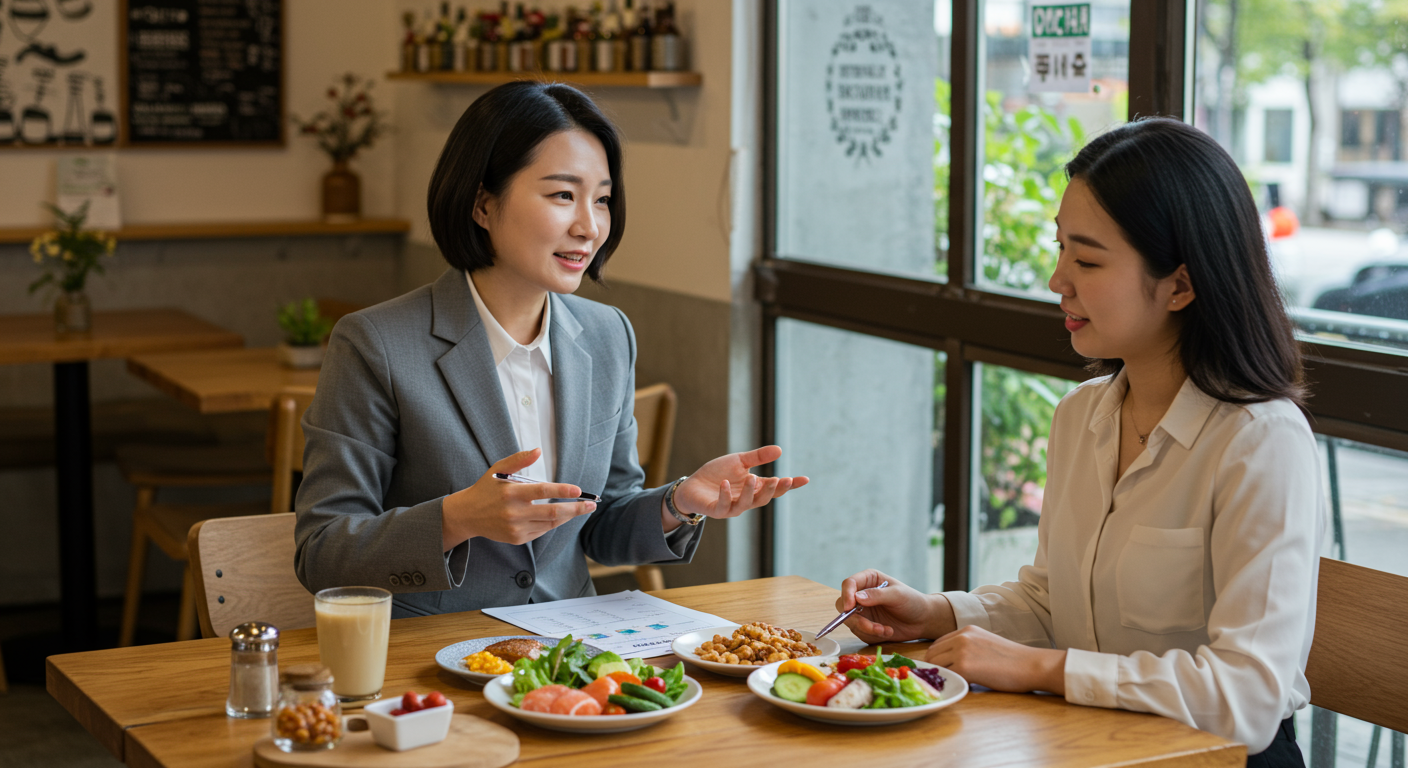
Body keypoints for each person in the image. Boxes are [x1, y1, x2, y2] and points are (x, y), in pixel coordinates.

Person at [836, 118, 1323, 767]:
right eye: (1061, 247)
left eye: (1087, 259)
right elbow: (1053, 600)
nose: (1056, 278)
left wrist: (1043, 668)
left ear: (1181, 283)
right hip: (1091, 742)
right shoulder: (1082, 414)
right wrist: (936, 613)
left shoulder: (1259, 442)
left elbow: (1247, 697)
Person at [294, 81, 807, 616]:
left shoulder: (609, 334)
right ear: (482, 204)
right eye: (563, 195)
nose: (590, 227)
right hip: (427, 660)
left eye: (602, 199)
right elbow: (322, 552)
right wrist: (457, 518)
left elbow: (601, 524)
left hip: (568, 654)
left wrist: (678, 503)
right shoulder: (375, 343)